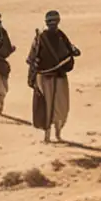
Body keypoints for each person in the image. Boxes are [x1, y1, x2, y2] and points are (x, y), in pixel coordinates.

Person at [28, 10, 79, 141]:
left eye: (55, 22)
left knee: (61, 106)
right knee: (47, 106)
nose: (53, 25)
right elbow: (32, 58)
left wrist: (73, 51)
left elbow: (70, 49)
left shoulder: (61, 35)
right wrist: (32, 75)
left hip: (59, 76)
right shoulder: (40, 38)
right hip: (44, 77)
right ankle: (47, 136)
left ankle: (58, 134)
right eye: (50, 22)